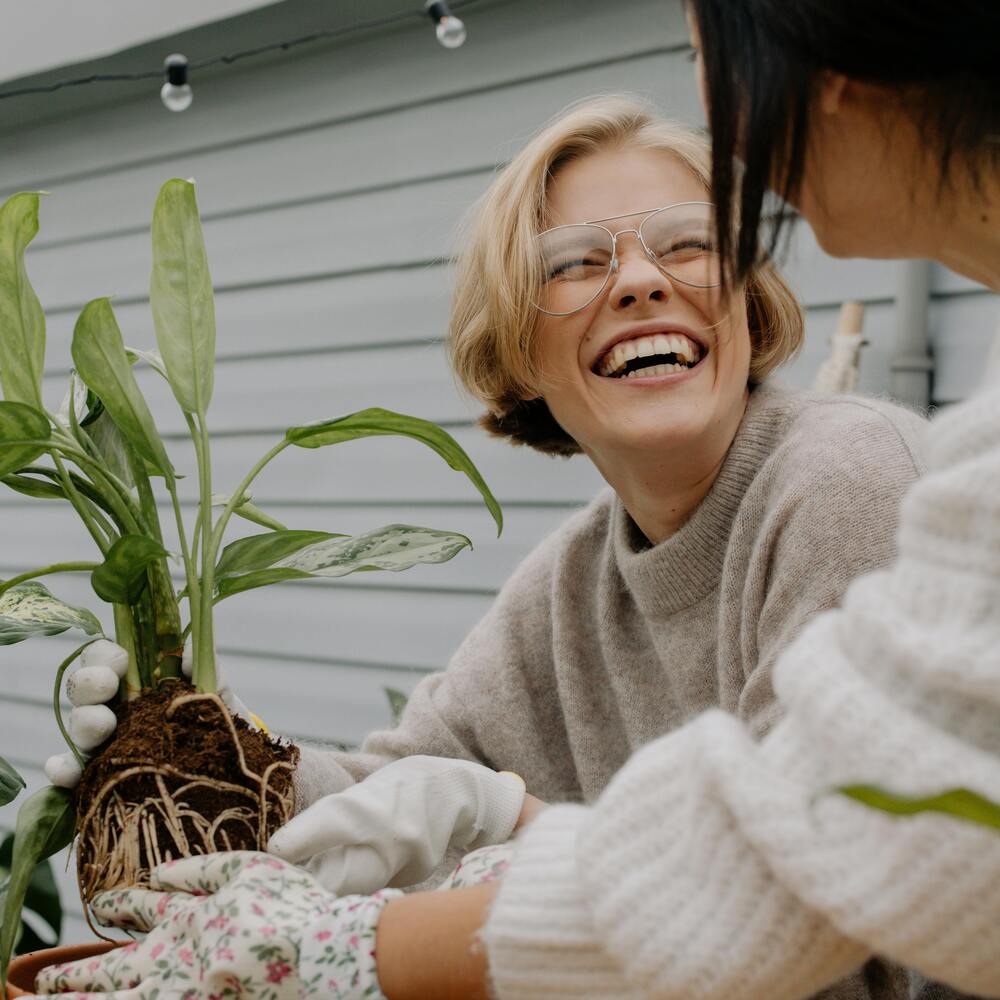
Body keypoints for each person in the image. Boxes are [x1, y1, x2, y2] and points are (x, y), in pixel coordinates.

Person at [37, 34, 1000, 996]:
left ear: (747, 303)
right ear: (519, 352)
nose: (638, 279)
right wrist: (190, 747)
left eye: (689, 244)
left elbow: (815, 932)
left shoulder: (847, 478)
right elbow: (403, 784)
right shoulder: (572, 585)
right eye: (574, 264)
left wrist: (503, 828)